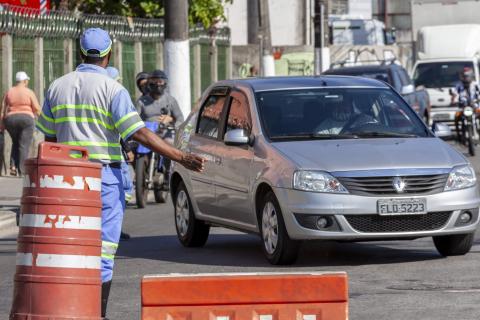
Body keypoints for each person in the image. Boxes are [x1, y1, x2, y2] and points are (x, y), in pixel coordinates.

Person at [36, 28, 204, 319]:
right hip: (103, 180)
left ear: (80, 52)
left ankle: (69, 309)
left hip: (65, 180)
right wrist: (181, 157)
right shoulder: (113, 89)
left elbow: (48, 140)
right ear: (109, 54)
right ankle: (97, 313)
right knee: (103, 251)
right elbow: (137, 132)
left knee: (69, 249)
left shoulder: (56, 87)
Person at [107, 66, 133, 241]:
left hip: (86, 158)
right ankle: (115, 227)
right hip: (112, 157)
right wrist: (128, 148)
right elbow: (124, 128)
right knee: (122, 190)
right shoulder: (116, 93)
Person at [0, 71, 40, 176]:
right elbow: (36, 108)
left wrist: (2, 125)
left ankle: (13, 166)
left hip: (10, 120)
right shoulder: (29, 92)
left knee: (16, 142)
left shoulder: (9, 91)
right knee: (24, 145)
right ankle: (22, 171)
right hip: (26, 120)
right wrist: (40, 119)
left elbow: (3, 109)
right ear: (25, 81)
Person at [450, 67, 480, 140]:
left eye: (467, 76)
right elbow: (454, 93)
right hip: (463, 107)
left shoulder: (476, 84)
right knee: (457, 117)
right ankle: (459, 135)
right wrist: (453, 100)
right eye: (465, 76)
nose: (466, 78)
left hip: (475, 106)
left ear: (471, 75)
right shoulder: (459, 85)